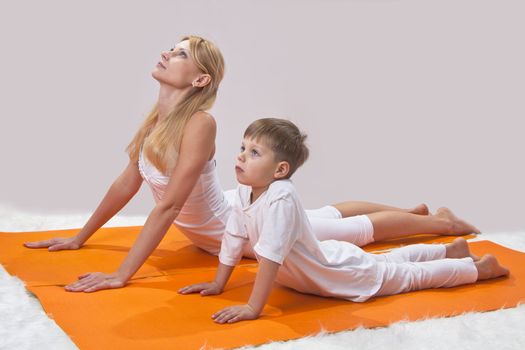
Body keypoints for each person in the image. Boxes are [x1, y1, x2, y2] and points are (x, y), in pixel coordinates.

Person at [24, 35, 479, 293]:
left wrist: (122, 275)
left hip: (237, 226)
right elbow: (127, 184)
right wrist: (79, 238)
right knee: (326, 215)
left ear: (199, 79)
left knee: (351, 231)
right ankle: (416, 213)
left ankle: (442, 226)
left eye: (180, 53)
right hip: (224, 212)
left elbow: (169, 205)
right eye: (172, 47)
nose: (167, 52)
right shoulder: (156, 121)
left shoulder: (199, 122)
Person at [179, 118, 509, 324]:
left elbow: (270, 256)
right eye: (242, 147)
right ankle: (448, 251)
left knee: (406, 276)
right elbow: (233, 239)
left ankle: (477, 269)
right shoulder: (244, 192)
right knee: (388, 261)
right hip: (329, 262)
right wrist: (218, 284)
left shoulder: (281, 196)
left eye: (254, 153)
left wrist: (253, 307)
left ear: (280, 170)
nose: (240, 156)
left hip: (343, 276)